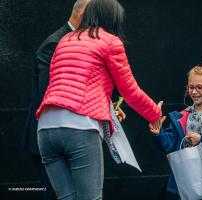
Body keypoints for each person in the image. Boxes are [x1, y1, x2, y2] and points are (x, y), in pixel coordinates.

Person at [35, 0, 162, 199]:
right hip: (79, 127)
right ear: (112, 19)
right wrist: (155, 113)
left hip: (45, 129)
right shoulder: (110, 41)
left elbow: (62, 85)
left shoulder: (64, 39)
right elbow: (129, 92)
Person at [21, 1, 112, 199]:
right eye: (96, 22)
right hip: (53, 135)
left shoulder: (79, 41)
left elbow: (81, 89)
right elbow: (51, 96)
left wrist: (106, 108)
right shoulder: (54, 44)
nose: (100, 29)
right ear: (83, 18)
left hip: (71, 132)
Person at [149, 67, 202, 200]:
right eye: (191, 87)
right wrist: (158, 133)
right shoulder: (181, 117)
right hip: (188, 183)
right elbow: (165, 145)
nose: (194, 91)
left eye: (199, 87)